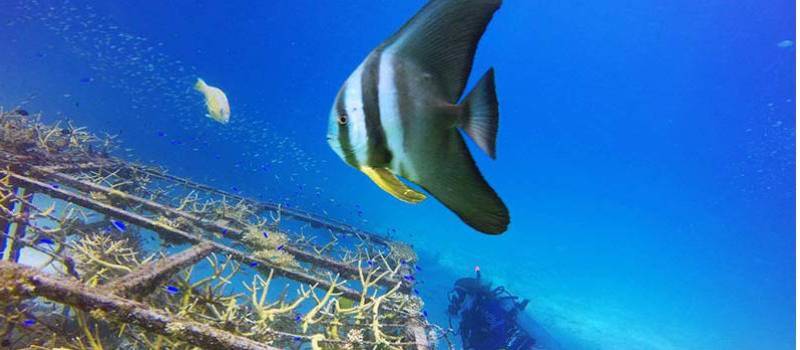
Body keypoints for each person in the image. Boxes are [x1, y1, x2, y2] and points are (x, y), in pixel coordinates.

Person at [448, 266, 536, 350]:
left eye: (460, 295)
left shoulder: (488, 307)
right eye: (454, 296)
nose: (456, 301)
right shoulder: (469, 312)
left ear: (470, 295)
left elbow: (499, 336)